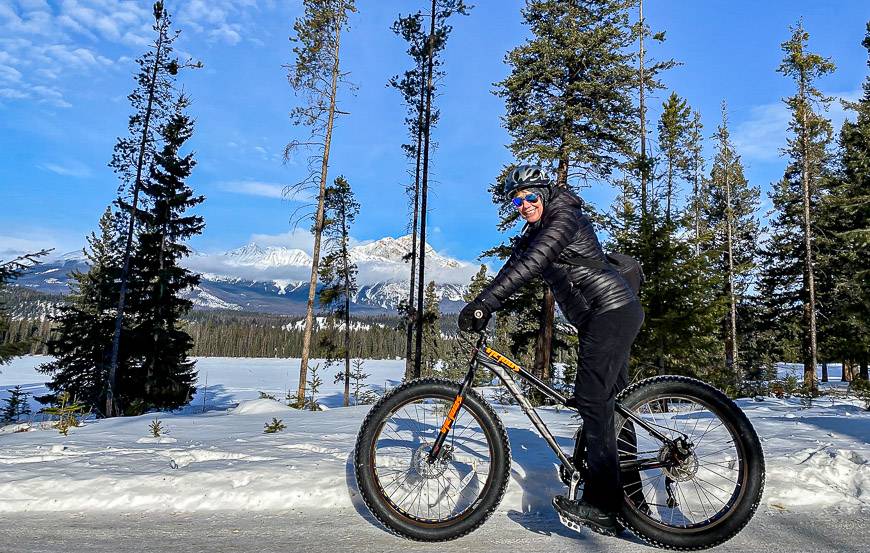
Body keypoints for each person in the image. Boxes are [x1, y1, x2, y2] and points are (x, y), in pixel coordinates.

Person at [457, 165, 644, 536]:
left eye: (530, 196)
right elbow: (513, 266)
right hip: (600, 318)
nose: (524, 204)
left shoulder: (564, 218)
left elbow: (533, 264)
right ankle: (631, 503)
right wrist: (481, 302)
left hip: (612, 312)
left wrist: (487, 306)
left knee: (591, 400)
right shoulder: (535, 231)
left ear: (544, 193)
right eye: (517, 199)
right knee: (610, 406)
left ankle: (603, 505)